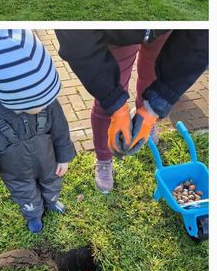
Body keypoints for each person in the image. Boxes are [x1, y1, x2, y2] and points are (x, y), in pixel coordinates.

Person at [55, 30, 209, 194]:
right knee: (106, 102)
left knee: (153, 79)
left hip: (164, 28)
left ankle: (146, 122)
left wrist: (154, 107)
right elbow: (77, 41)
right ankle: (104, 159)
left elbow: (200, 40)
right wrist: (114, 103)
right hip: (118, 32)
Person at [0, 29, 76, 234]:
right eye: (37, 104)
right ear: (14, 100)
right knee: (25, 194)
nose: (45, 106)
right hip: (16, 171)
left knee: (52, 183)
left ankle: (51, 201)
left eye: (46, 100)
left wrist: (63, 156)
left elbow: (60, 128)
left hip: (48, 161)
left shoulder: (47, 101)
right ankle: (33, 214)